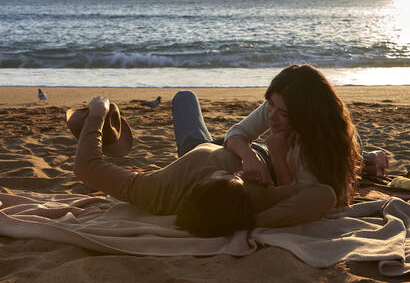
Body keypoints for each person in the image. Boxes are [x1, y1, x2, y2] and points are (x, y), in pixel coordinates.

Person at [73, 96, 336, 238]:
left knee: (184, 97)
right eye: (238, 179)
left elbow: (87, 167)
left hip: (197, 146)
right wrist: (248, 222)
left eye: (228, 175)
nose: (238, 173)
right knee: (306, 138)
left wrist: (97, 114)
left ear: (194, 189)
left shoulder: (157, 191)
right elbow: (324, 195)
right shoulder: (252, 199)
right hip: (259, 153)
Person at [223, 64, 362, 207]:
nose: (272, 116)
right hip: (262, 153)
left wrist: (278, 157)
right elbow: (236, 133)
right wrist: (249, 156)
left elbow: (291, 199)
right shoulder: (278, 105)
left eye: (283, 114)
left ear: (306, 115)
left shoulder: (317, 148)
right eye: (270, 104)